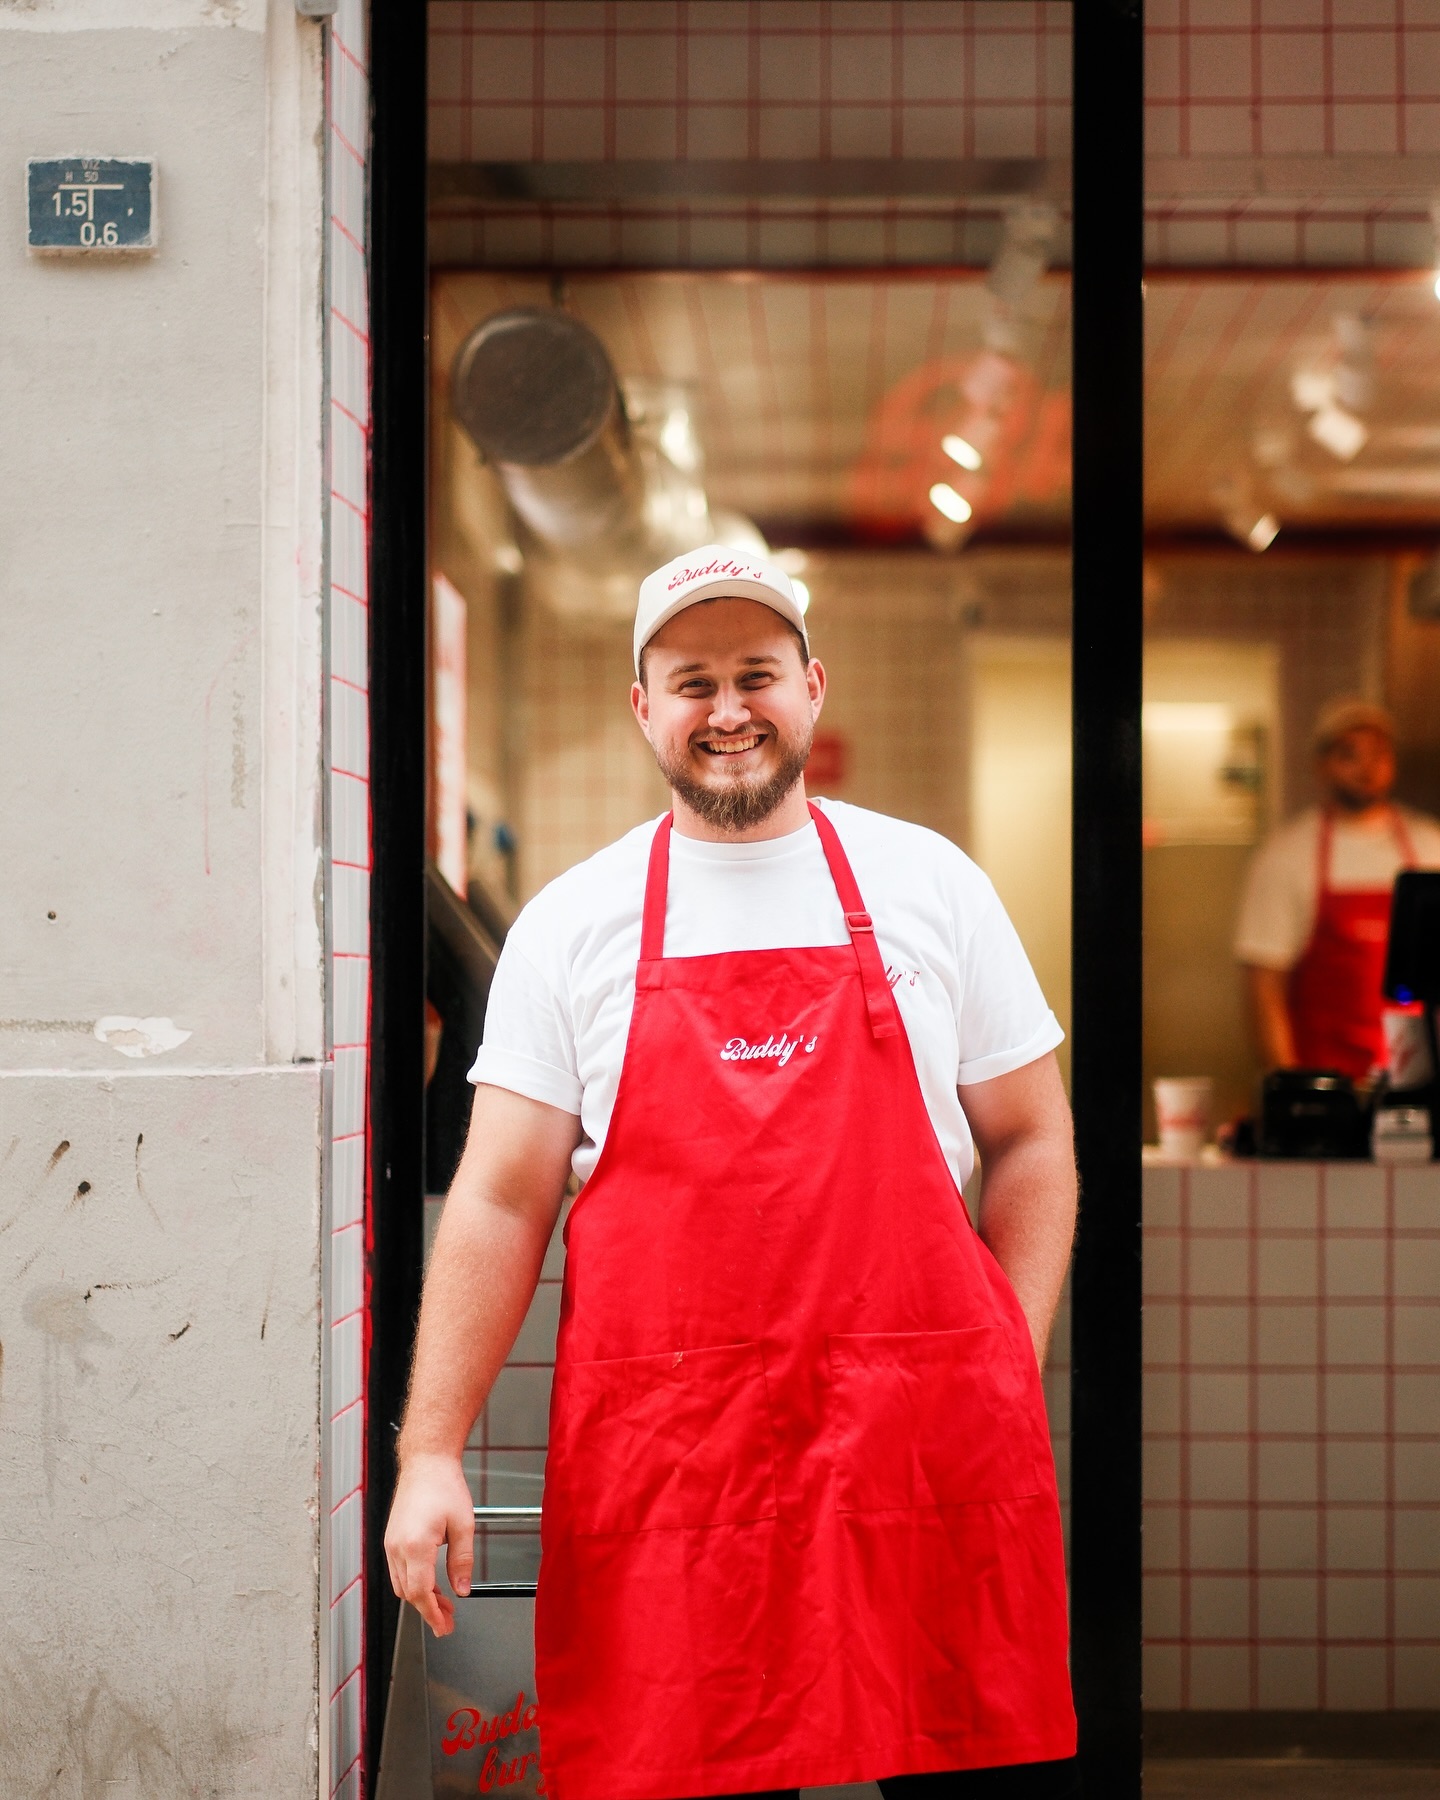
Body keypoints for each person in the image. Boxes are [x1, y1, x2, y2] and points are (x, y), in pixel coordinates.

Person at [386, 547, 1080, 1800]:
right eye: (692, 682)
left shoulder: (933, 886)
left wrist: (1003, 1357)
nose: (728, 710)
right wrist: (431, 1449)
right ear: (642, 706)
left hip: (919, 1457)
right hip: (680, 1475)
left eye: (756, 673)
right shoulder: (573, 924)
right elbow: (498, 1198)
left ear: (812, 686)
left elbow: (1033, 1137)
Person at [1235, 697, 1440, 1078]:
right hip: (1325, 1081)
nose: (1367, 767)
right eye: (1350, 755)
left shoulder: (1430, 846)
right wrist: (1290, 1084)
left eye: (1378, 754)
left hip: (1414, 1078)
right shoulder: (1287, 855)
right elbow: (1264, 984)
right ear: (1322, 765)